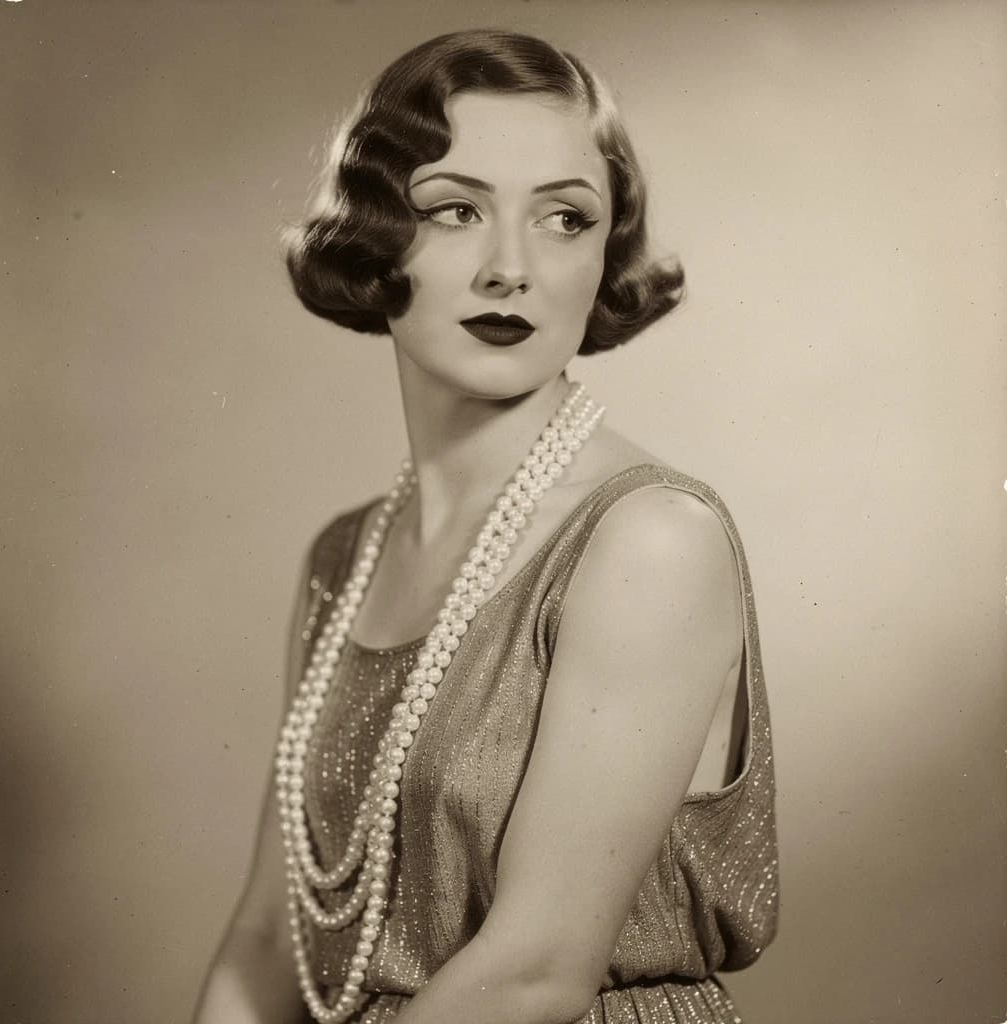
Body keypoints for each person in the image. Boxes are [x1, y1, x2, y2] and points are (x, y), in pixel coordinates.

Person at [192, 28, 778, 1024]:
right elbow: (265, 938)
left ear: (605, 254)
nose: (511, 268)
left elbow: (533, 970)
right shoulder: (347, 554)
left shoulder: (649, 539)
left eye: (563, 218)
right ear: (376, 236)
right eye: (456, 210)